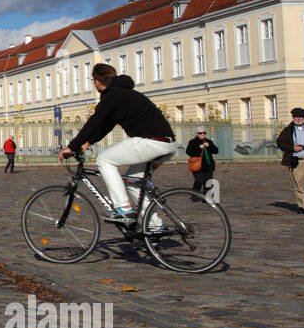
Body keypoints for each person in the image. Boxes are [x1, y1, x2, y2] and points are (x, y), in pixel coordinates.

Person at [57, 63, 175, 226]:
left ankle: (123, 208)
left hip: (151, 141)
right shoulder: (123, 93)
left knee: (104, 160)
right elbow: (107, 125)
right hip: (166, 142)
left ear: (97, 81)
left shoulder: (112, 95)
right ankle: (155, 226)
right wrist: (88, 141)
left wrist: (72, 146)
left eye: (93, 80)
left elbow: (94, 122)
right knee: (133, 182)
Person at [185, 126, 218, 197]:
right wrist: (199, 147)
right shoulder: (193, 142)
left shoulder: (208, 141)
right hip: (197, 165)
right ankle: (194, 196)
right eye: (200, 133)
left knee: (208, 182)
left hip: (208, 165)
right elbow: (189, 152)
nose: (202, 134)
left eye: (204, 133)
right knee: (199, 180)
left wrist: (209, 146)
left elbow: (216, 151)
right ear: (197, 134)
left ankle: (206, 198)